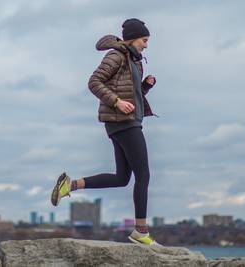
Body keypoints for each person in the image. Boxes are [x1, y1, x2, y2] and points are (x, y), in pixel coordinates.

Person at [51, 18, 160, 246]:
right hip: (123, 122)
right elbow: (94, 82)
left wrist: (145, 87)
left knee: (122, 178)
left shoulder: (133, 60)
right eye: (144, 40)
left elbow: (130, 94)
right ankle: (141, 231)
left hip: (125, 121)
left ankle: (70, 185)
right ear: (133, 38)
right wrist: (117, 101)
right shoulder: (116, 55)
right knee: (144, 175)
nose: (147, 45)